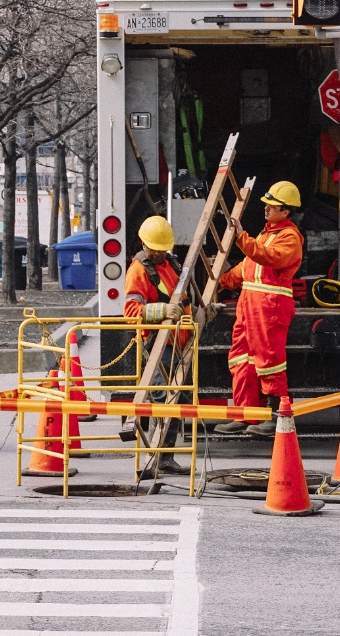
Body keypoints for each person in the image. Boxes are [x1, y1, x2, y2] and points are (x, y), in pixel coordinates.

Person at [214, 181, 303, 437]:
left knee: (270, 362)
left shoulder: (289, 237)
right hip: (250, 307)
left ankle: (278, 416)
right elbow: (246, 269)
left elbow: (267, 258)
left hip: (269, 308)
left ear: (285, 211)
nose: (265, 208)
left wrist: (242, 237)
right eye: (266, 203)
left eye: (271, 205)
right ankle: (245, 415)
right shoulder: (267, 235)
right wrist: (220, 282)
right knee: (241, 359)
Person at [123, 215, 205, 476]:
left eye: (162, 249)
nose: (159, 254)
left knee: (175, 398)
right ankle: (155, 457)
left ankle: (165, 458)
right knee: (161, 399)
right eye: (154, 249)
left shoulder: (171, 264)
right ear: (144, 245)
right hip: (157, 343)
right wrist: (162, 310)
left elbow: (182, 301)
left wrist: (202, 311)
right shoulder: (138, 270)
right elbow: (131, 311)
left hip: (177, 343)